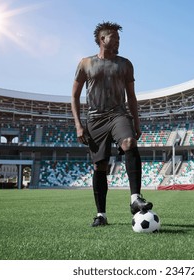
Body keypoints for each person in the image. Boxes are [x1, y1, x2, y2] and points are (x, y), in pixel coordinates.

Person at [71, 21, 153, 227]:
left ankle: (135, 198)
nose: (117, 41)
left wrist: (136, 122)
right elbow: (74, 96)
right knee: (100, 166)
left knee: (129, 143)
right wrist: (79, 125)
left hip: (118, 114)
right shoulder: (85, 63)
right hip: (95, 119)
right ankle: (101, 215)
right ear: (102, 39)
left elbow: (132, 97)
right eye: (114, 37)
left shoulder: (125, 64)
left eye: (119, 38)